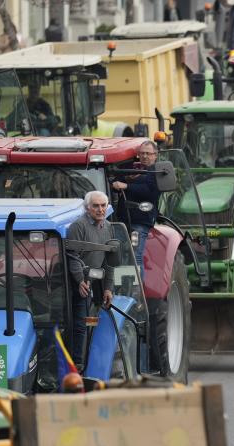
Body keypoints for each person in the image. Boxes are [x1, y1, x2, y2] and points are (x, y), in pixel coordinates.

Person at [67, 191, 114, 369]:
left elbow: (110, 261)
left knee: (93, 322)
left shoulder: (108, 227)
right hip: (79, 284)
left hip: (96, 283)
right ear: (87, 208)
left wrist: (108, 288)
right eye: (96, 206)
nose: (100, 209)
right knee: (81, 325)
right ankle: (78, 366)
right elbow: (73, 257)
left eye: (103, 205)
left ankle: (91, 361)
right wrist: (80, 280)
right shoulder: (78, 226)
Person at [111, 140, 161, 279]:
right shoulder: (131, 169)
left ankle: (137, 293)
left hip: (140, 222)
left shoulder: (157, 171)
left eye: (148, 153)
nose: (144, 156)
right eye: (142, 153)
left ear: (155, 155)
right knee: (120, 258)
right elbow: (114, 182)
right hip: (122, 220)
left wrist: (127, 186)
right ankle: (122, 289)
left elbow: (151, 192)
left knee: (135, 256)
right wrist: (124, 179)